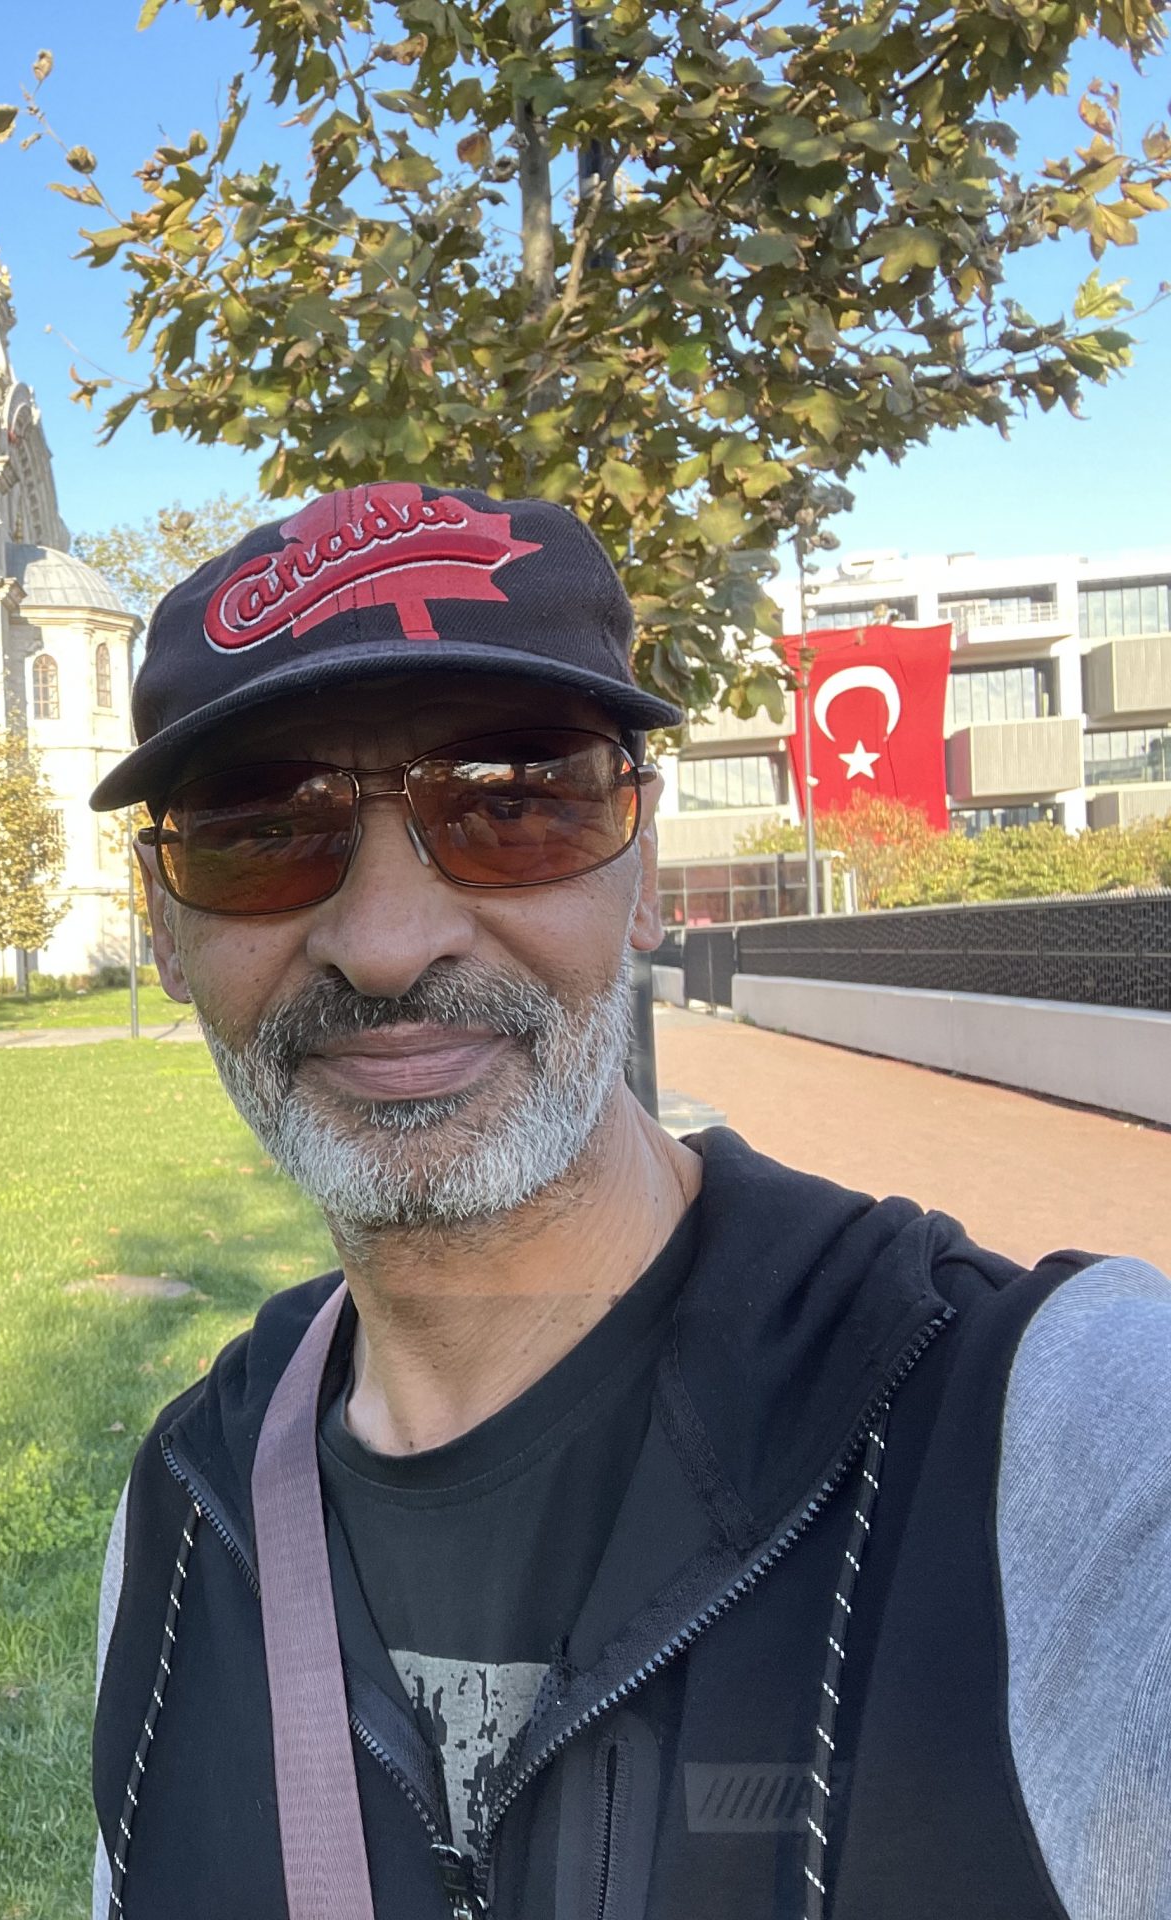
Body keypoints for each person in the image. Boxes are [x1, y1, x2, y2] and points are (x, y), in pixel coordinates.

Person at [85, 483, 1171, 1920]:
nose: (388, 944)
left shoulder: (1072, 1447)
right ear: (166, 929)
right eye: (261, 830)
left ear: (643, 872)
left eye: (513, 805)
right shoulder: (183, 1511)